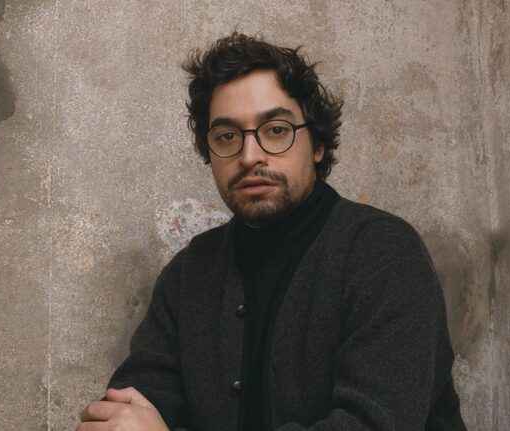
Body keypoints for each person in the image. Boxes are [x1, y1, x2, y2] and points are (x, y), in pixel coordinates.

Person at [77, 33, 467, 431]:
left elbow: (369, 424)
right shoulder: (189, 272)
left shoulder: (384, 254)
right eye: (227, 136)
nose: (250, 156)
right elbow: (128, 411)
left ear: (317, 144)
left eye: (276, 130)